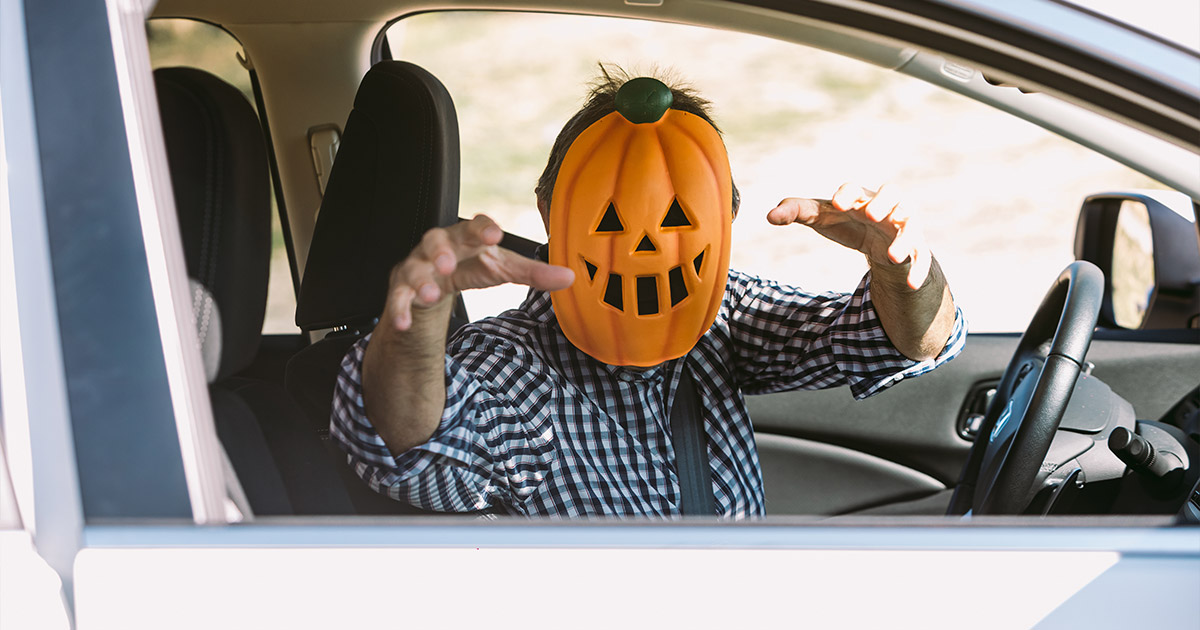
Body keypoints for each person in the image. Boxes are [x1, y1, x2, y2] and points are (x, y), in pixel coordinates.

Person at [330, 68, 965, 518]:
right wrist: (417, 318)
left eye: (679, 220)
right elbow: (404, 448)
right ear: (553, 214)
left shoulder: (724, 317)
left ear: (724, 221)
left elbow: (904, 342)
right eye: (610, 218)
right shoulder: (509, 368)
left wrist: (896, 264)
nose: (644, 250)